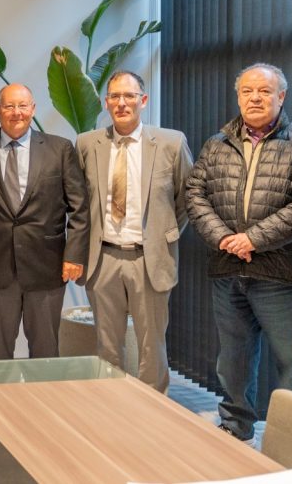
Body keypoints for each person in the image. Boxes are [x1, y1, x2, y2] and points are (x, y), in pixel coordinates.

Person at [186, 63, 292, 443]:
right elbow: (195, 195)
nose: (255, 98)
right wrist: (223, 238)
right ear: (238, 97)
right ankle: (236, 429)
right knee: (232, 362)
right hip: (227, 270)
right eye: (247, 91)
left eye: (264, 91)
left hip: (282, 274)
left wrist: (253, 239)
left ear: (281, 96)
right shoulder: (216, 144)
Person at [75, 71, 193, 391]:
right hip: (103, 259)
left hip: (149, 259)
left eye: (129, 96)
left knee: (152, 347)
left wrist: (163, 235)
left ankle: (154, 411)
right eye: (115, 96)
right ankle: (110, 406)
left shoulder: (171, 143)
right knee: (107, 347)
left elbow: (187, 198)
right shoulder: (87, 144)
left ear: (143, 100)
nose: (122, 103)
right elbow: (79, 201)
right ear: (106, 102)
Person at [0, 83, 89, 360]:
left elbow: (79, 208)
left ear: (33, 109)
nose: (16, 112)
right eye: (9, 106)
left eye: (22, 105)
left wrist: (74, 255)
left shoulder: (60, 148)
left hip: (46, 269)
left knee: (45, 353)